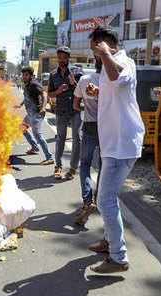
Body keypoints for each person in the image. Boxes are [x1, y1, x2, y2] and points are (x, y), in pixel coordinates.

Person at [87, 27, 145, 274]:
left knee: (105, 199)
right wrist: (98, 92)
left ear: (104, 44)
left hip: (122, 145)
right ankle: (110, 242)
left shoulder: (124, 61)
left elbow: (117, 78)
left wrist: (105, 55)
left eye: (95, 48)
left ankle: (119, 257)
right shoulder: (110, 64)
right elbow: (115, 89)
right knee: (106, 197)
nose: (94, 54)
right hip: (113, 143)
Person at [73, 58, 102, 226]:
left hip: (90, 126)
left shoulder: (84, 80)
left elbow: (76, 105)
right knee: (104, 165)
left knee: (85, 164)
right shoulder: (110, 82)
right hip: (107, 128)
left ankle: (87, 200)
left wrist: (86, 107)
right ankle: (100, 200)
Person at [48, 46, 82, 180]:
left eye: (64, 57)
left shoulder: (77, 71)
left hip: (75, 110)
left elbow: (84, 89)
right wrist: (58, 91)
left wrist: (74, 83)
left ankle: (73, 168)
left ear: (68, 58)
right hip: (61, 110)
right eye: (59, 57)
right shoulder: (53, 75)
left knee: (76, 139)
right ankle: (58, 166)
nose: (61, 60)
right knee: (60, 138)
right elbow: (50, 93)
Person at [15, 67, 54, 165]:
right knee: (22, 128)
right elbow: (28, 97)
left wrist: (43, 108)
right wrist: (20, 104)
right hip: (30, 114)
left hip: (36, 113)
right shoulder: (27, 85)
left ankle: (49, 157)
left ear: (31, 76)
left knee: (37, 135)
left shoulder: (34, 84)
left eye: (26, 75)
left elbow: (44, 94)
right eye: (23, 75)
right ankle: (35, 147)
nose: (24, 77)